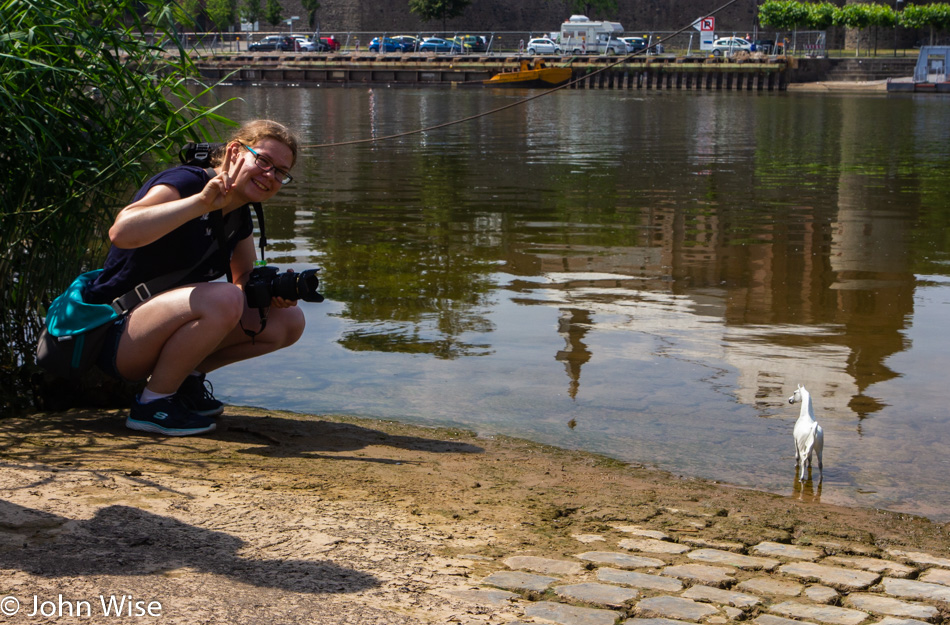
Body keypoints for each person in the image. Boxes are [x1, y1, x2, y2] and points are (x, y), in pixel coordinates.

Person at [85, 120, 305, 436]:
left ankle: (181, 381)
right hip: (116, 334)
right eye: (264, 161)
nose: (270, 175)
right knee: (224, 298)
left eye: (280, 172)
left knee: (288, 321)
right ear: (235, 151)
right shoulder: (185, 182)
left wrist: (271, 294)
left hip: (156, 332)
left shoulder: (240, 213)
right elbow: (121, 231)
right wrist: (201, 203)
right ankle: (153, 406)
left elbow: (241, 280)